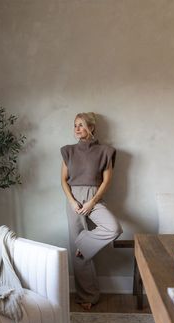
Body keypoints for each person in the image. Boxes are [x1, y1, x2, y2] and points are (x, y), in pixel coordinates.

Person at [60, 112, 123, 310]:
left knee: (113, 228)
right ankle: (87, 296)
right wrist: (72, 201)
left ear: (92, 127)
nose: (77, 129)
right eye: (75, 125)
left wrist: (92, 201)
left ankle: (82, 244)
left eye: (81, 125)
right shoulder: (68, 151)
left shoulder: (105, 151)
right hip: (74, 199)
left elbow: (107, 181)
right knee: (79, 253)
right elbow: (63, 180)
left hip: (94, 198)